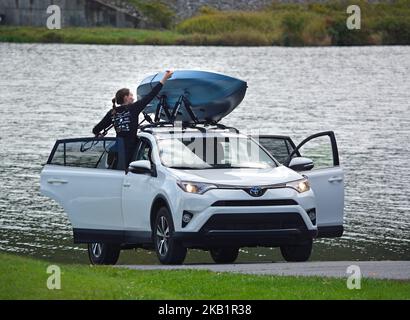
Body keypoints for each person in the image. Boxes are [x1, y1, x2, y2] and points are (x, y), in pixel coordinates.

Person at [93, 70, 173, 168]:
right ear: (126, 97)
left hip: (117, 149)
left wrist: (99, 134)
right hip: (130, 150)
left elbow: (96, 129)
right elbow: (151, 95)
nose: (133, 98)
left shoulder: (112, 113)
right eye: (131, 95)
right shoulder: (134, 108)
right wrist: (165, 78)